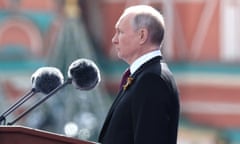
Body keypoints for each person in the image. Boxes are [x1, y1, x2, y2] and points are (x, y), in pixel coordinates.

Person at [98, 5, 180, 144]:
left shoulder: (152, 80)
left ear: (142, 35)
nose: (114, 40)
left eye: (120, 32)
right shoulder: (142, 75)